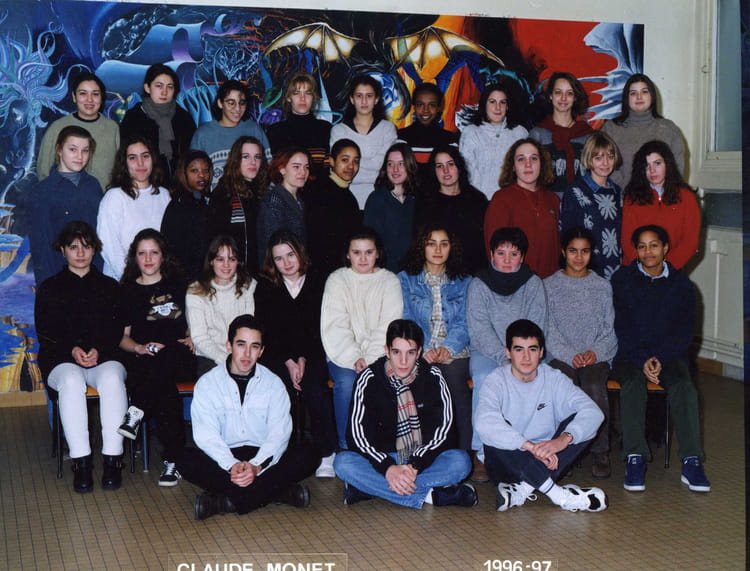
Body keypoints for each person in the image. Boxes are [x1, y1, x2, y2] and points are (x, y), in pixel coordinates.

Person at [176, 314, 320, 520]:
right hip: (224, 457)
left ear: (261, 351)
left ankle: (225, 501)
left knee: (310, 453)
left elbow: (279, 434)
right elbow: (206, 436)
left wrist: (256, 466)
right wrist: (231, 465)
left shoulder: (273, 383)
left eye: (254, 347)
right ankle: (277, 493)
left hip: (262, 454)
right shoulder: (208, 383)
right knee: (183, 459)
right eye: (241, 344)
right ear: (229, 346)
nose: (247, 354)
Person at [334, 319, 476, 509]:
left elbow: (445, 431)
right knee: (342, 463)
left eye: (410, 353)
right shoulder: (368, 379)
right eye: (396, 352)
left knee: (461, 462)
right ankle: (433, 497)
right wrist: (388, 468)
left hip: (421, 461)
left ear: (419, 352)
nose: (403, 361)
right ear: (386, 351)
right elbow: (356, 436)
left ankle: (369, 489)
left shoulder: (433, 376)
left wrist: (414, 465)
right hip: (383, 459)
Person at [611, 225, 710, 493]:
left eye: (654, 245)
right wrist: (643, 358)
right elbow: (621, 326)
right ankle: (635, 457)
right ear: (635, 251)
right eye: (642, 246)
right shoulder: (622, 279)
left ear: (665, 248)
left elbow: (685, 331)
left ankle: (691, 461)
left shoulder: (682, 284)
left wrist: (660, 358)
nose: (648, 252)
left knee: (684, 388)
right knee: (632, 385)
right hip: (630, 354)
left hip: (669, 355)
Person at [474, 319, 607, 513]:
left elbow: (593, 412)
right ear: (508, 352)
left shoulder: (554, 378)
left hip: (548, 458)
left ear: (542, 352)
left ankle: (521, 490)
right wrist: (529, 447)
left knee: (579, 424)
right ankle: (560, 495)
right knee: (494, 430)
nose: (526, 357)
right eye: (519, 349)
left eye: (532, 349)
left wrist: (562, 440)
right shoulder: (495, 381)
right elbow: (483, 423)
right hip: (507, 464)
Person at [35, 221, 127, 493]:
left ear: (94, 250)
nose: (80, 253)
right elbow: (46, 332)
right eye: (73, 247)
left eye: (86, 247)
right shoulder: (49, 288)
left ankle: (112, 459)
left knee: (112, 378)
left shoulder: (110, 286)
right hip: (61, 360)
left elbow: (116, 330)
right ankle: (81, 462)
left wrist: (99, 349)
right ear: (62, 250)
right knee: (72, 381)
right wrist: (72, 350)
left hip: (104, 357)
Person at [466, 227, 547, 481]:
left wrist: (518, 356)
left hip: (524, 352)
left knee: (535, 379)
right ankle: (481, 452)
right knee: (484, 378)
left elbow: (536, 326)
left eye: (514, 254)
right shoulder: (479, 283)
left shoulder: (533, 283)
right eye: (501, 253)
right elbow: (478, 328)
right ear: (491, 254)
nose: (507, 260)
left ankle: (525, 449)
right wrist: (503, 358)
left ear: (522, 256)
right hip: (487, 352)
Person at [254, 230, 337, 478]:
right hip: (278, 354)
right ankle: (281, 452)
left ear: (300, 253)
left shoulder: (319, 281)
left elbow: (321, 327)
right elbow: (267, 331)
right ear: (272, 262)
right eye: (279, 258)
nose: (286, 263)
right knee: (280, 391)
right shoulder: (265, 286)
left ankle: (326, 452)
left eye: (290, 255)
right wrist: (289, 361)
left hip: (313, 351)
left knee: (316, 388)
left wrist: (302, 358)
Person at [116, 229, 195, 487]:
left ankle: (137, 410)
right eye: (142, 253)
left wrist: (192, 336)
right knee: (164, 390)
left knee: (164, 361)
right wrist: (139, 348)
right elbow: (123, 338)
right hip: (145, 360)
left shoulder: (180, 285)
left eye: (154, 253)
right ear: (135, 257)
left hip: (179, 354)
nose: (148, 259)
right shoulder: (127, 291)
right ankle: (173, 461)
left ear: (163, 256)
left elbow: (193, 323)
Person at [544, 227, 618, 479]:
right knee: (565, 385)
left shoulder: (602, 286)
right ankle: (565, 449)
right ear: (563, 252)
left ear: (591, 253)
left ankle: (600, 450)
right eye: (573, 251)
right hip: (561, 356)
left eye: (584, 251)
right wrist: (569, 355)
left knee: (594, 386)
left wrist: (595, 353)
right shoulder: (549, 286)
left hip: (595, 356)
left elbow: (609, 330)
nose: (578, 257)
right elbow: (547, 329)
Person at [320, 228, 404, 449]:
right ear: (348, 254)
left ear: (378, 253)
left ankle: (379, 448)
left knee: (385, 381)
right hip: (343, 354)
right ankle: (346, 447)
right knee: (347, 383)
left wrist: (369, 358)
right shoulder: (337, 279)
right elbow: (335, 325)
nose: (363, 258)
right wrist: (354, 357)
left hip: (380, 354)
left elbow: (389, 325)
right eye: (357, 252)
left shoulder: (390, 280)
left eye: (369, 252)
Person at [398, 223, 472, 451]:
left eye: (444, 244)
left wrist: (447, 348)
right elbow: (407, 318)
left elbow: (465, 322)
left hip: (455, 349)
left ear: (452, 248)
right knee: (417, 380)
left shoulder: (465, 281)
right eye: (431, 244)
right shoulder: (406, 279)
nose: (438, 250)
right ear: (422, 247)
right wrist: (425, 348)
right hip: (419, 349)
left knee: (454, 380)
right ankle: (420, 450)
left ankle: (463, 451)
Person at [27, 125, 103, 284]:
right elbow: (41, 249)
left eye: (85, 150)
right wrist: (47, 288)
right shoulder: (41, 192)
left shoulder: (93, 185)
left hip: (95, 275)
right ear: (59, 150)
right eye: (73, 149)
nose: (80, 156)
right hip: (59, 277)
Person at [484, 137, 560, 278]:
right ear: (513, 167)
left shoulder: (553, 199)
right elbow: (493, 249)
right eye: (521, 159)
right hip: (517, 283)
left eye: (534, 158)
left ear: (542, 164)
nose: (528, 164)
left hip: (551, 283)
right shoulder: (501, 199)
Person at [97, 135, 170, 280]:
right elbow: (109, 245)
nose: (140, 163)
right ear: (124, 163)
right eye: (132, 158)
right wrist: (131, 279)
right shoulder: (115, 197)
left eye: (145, 156)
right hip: (123, 280)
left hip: (158, 278)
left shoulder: (164, 195)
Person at [621, 140, 700, 270]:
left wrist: (663, 270)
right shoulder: (632, 197)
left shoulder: (687, 197)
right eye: (647, 166)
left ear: (667, 164)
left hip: (671, 270)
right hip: (635, 269)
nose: (652, 170)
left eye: (657, 163)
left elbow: (690, 243)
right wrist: (646, 270)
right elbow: (627, 241)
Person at [186, 235, 256, 375]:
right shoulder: (195, 291)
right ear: (211, 261)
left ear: (238, 262)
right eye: (220, 259)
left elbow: (250, 329)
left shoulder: (249, 286)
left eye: (232, 259)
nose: (226, 265)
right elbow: (200, 337)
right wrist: (226, 360)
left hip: (244, 354)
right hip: (210, 356)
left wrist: (239, 358)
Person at [36, 72, 119, 190]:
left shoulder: (112, 128)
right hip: (65, 198)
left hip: (104, 198)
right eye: (83, 93)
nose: (89, 99)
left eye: (95, 94)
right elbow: (44, 170)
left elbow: (120, 168)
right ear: (74, 97)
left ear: (102, 97)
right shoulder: (58, 127)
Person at [601, 73, 686, 188]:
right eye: (633, 93)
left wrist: (658, 193)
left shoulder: (669, 128)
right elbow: (604, 166)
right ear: (626, 98)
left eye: (644, 92)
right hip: (621, 194)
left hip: (661, 196)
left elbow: (677, 169)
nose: (639, 97)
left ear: (652, 95)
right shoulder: (610, 128)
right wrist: (628, 190)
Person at [415, 145, 488, 275]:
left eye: (450, 164)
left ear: (459, 167)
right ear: (434, 171)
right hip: (439, 273)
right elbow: (420, 245)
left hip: (475, 272)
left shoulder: (477, 199)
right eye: (439, 166)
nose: (446, 170)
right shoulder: (425, 202)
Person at [560, 131, 624, 279]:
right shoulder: (575, 192)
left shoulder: (618, 193)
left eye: (610, 157)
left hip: (616, 266)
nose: (605, 163)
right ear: (589, 159)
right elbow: (566, 234)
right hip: (586, 267)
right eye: (598, 158)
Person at [329, 75, 398, 208]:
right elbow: (338, 171)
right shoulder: (339, 131)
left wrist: (353, 169)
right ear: (352, 99)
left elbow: (385, 168)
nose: (364, 101)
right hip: (344, 200)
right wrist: (374, 170)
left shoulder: (388, 129)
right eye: (359, 96)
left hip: (382, 201)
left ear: (376, 99)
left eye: (369, 96)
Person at [119, 63, 196, 180]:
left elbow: (190, 156)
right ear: (147, 88)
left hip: (177, 183)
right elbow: (124, 156)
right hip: (143, 181)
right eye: (159, 86)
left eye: (170, 87)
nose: (164, 92)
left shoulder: (183, 118)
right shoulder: (134, 117)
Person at [190, 80, 270, 189]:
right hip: (215, 197)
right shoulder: (203, 134)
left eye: (242, 103)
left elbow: (268, 167)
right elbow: (193, 174)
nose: (237, 108)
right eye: (231, 103)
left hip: (251, 196)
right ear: (220, 103)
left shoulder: (254, 130)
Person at [207, 136, 268, 276]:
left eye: (257, 157)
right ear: (236, 160)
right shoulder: (224, 193)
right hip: (233, 272)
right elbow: (215, 239)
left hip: (260, 272)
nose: (253, 162)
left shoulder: (263, 192)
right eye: (246, 156)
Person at [459, 80, 528, 200]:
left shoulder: (520, 133)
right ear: (484, 104)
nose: (498, 107)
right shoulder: (471, 133)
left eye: (502, 102)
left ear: (508, 106)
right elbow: (465, 172)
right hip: (478, 201)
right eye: (492, 102)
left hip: (513, 200)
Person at [529, 72, 594, 197]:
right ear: (550, 96)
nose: (563, 98)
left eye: (569, 93)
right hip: (547, 203)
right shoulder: (537, 134)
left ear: (575, 97)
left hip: (583, 203)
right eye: (558, 92)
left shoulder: (588, 135)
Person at [305, 138, 362, 276]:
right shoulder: (319, 190)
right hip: (322, 271)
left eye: (356, 161)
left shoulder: (349, 197)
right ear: (331, 161)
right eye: (345, 160)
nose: (351, 166)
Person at [267, 71, 331, 182]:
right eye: (297, 93)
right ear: (288, 97)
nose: (302, 98)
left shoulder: (325, 129)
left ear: (314, 97)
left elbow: (327, 173)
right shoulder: (275, 131)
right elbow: (273, 174)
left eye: (308, 93)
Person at [363, 143, 417, 272]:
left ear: (409, 165)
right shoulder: (376, 199)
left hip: (413, 271)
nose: (395, 169)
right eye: (390, 164)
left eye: (401, 164)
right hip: (386, 271)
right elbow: (371, 243)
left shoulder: (416, 199)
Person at [397, 82, 458, 194]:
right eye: (420, 105)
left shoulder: (450, 140)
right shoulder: (402, 138)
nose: (425, 110)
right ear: (413, 106)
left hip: (441, 199)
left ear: (439, 107)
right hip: (408, 198)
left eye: (431, 105)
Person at [161, 150, 213, 281]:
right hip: (185, 278)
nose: (201, 175)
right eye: (194, 171)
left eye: (206, 171)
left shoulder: (201, 202)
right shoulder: (179, 206)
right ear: (183, 173)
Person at [256, 147, 310, 260]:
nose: (303, 172)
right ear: (282, 169)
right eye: (296, 166)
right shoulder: (274, 201)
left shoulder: (299, 199)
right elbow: (271, 245)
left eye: (306, 167)